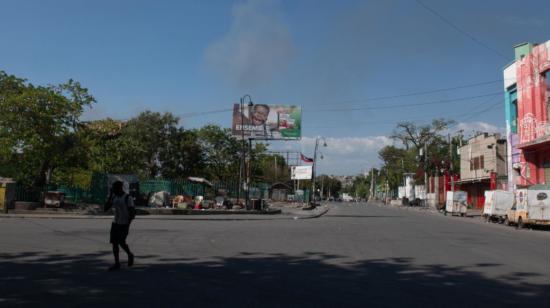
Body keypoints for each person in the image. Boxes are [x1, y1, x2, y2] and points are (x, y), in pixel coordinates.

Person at [104, 181, 135, 271]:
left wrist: (128, 225)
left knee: (121, 242)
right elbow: (105, 208)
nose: (112, 190)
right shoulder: (114, 197)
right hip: (115, 223)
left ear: (119, 188)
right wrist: (110, 196)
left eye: (114, 188)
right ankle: (117, 263)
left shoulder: (127, 198)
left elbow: (132, 213)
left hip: (124, 223)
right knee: (114, 243)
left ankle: (129, 254)